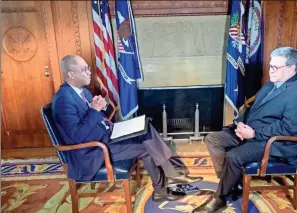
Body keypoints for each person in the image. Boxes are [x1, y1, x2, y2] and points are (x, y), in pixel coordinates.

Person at [52, 55, 203, 202]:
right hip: (92, 151)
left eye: (88, 68)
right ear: (71, 74)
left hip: (106, 136)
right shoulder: (63, 100)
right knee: (147, 148)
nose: (89, 72)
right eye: (84, 69)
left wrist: (101, 108)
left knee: (145, 127)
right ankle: (162, 188)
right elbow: (77, 136)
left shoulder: (83, 91)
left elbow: (95, 118)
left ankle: (170, 175)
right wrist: (94, 110)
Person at [192, 46, 297, 213]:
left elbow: (288, 127)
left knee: (233, 156)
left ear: (292, 68)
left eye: (276, 67)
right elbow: (251, 109)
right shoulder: (270, 85)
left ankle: (220, 198)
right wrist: (240, 124)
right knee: (213, 139)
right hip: (253, 133)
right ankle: (230, 182)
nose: (271, 71)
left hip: (275, 143)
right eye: (270, 66)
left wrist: (254, 134)